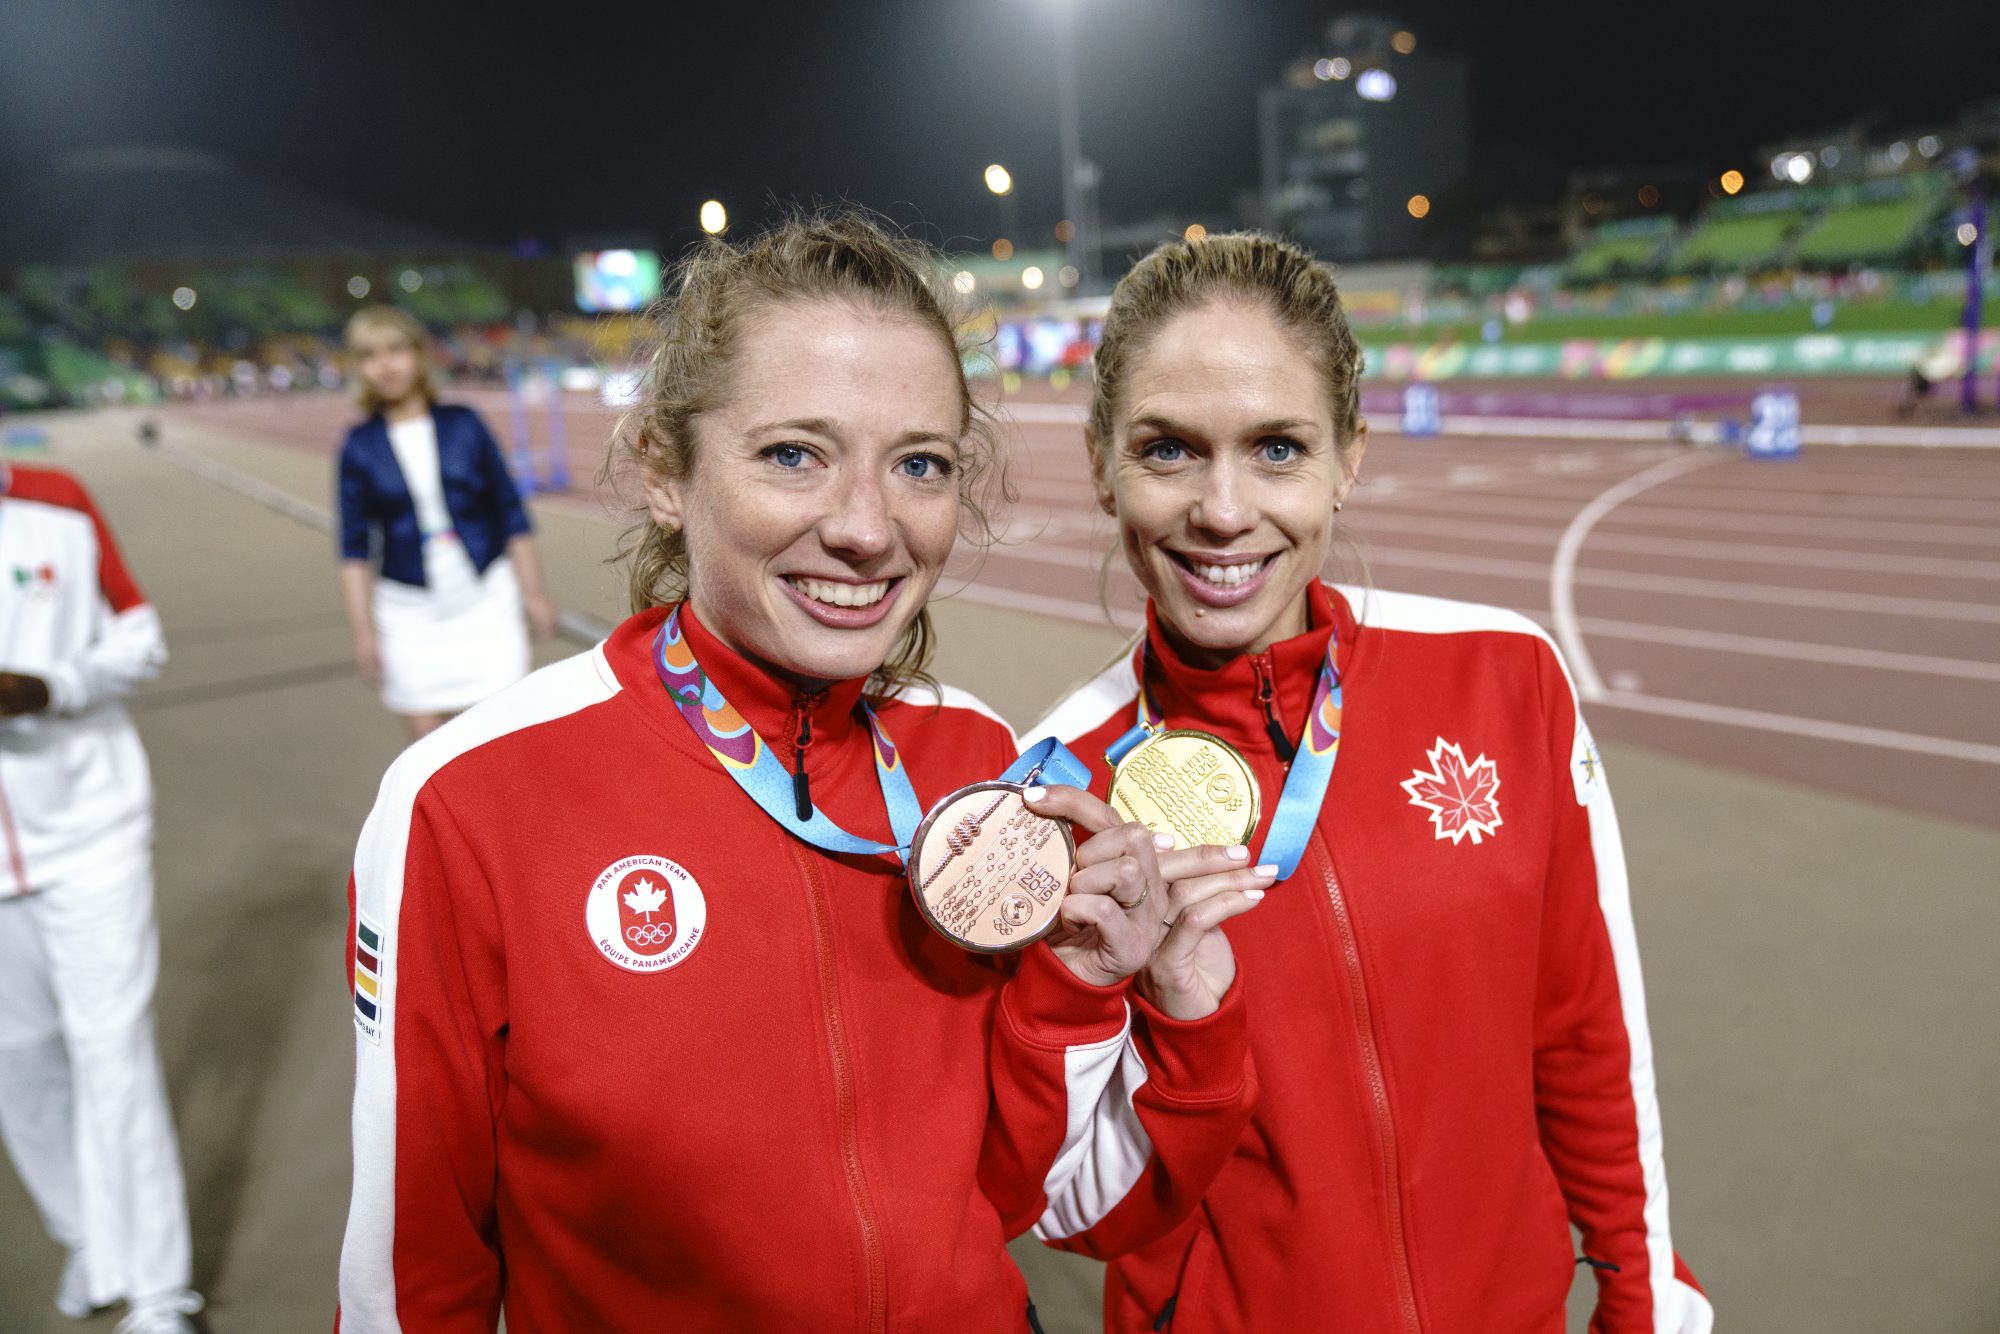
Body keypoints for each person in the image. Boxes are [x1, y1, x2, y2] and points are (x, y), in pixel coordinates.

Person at [336, 213, 1268, 1332]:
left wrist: (1103, 990)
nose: (868, 529)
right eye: (793, 454)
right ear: (663, 471)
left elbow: (1035, 1200)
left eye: (917, 464)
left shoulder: (979, 768)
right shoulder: (469, 802)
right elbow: (413, 1276)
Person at [1027, 233, 1712, 1333]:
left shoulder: (1501, 676)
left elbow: (1584, 1030)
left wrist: (1641, 1302)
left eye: (1276, 448)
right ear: (1102, 460)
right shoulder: (1059, 788)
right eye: (1168, 450)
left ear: (1349, 454)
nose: (1221, 507)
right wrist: (1168, 1011)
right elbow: (1068, 1206)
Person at [0, 462, 204, 1333]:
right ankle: (91, 1235)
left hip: (88, 824)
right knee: (20, 1064)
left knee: (110, 1048)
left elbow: (140, 636)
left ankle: (159, 1291)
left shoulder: (56, 499)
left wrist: (52, 687)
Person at [335, 306, 557, 744]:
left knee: (505, 743)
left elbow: (511, 512)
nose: (385, 364)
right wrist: (364, 634)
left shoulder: (464, 423)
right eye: (369, 355)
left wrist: (534, 593)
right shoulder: (359, 446)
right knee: (430, 757)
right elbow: (353, 548)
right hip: (408, 611)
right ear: (359, 368)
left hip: (486, 597)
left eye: (395, 349)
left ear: (418, 354)